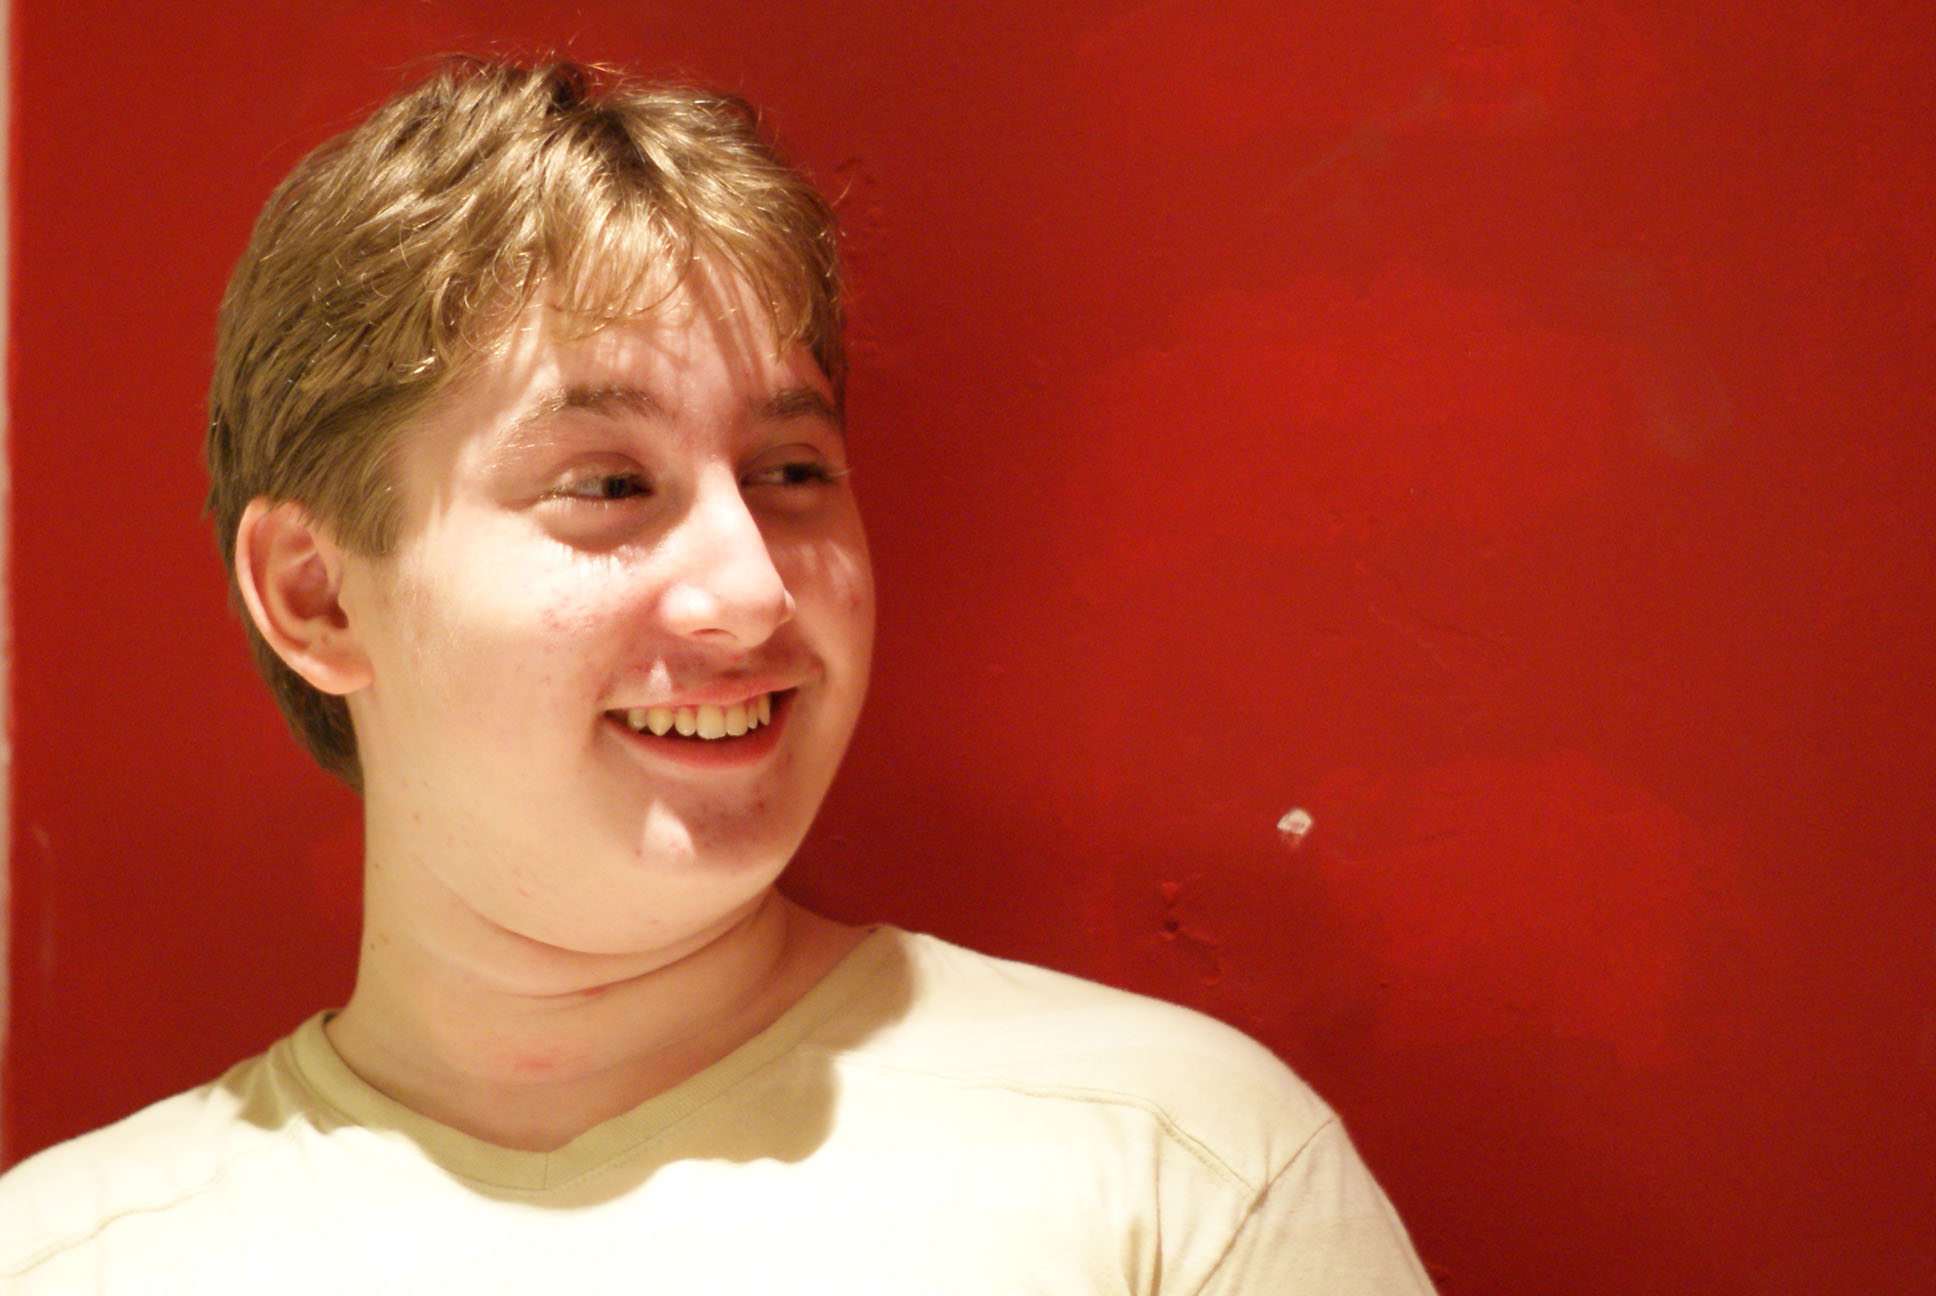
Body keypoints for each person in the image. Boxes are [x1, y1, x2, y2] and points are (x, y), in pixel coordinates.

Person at [0, 57, 1434, 1293]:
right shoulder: (69, 1258)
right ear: (317, 597)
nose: (754, 592)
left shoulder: (1178, 1173)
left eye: (792, 471)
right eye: (609, 484)